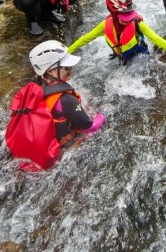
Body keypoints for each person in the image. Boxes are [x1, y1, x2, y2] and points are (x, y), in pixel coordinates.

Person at [6, 40, 105, 172]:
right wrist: (103, 114)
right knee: (92, 133)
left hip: (34, 144)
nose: (71, 70)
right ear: (51, 71)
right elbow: (89, 127)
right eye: (67, 67)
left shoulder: (39, 86)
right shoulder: (66, 100)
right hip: (60, 149)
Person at [68, 0, 166, 65]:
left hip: (141, 55)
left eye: (130, 15)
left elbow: (159, 40)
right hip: (121, 56)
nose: (129, 19)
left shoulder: (137, 24)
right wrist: (68, 51)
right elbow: (85, 39)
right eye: (125, 16)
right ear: (114, 14)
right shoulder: (105, 25)